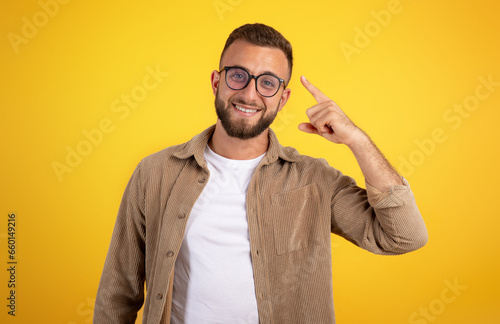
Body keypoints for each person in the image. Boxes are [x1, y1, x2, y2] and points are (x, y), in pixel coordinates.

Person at [93, 23, 428, 324]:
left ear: (283, 100)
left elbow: (404, 236)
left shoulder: (314, 180)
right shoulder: (155, 173)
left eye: (267, 83)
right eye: (238, 75)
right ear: (216, 81)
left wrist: (356, 138)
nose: (250, 93)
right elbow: (118, 290)